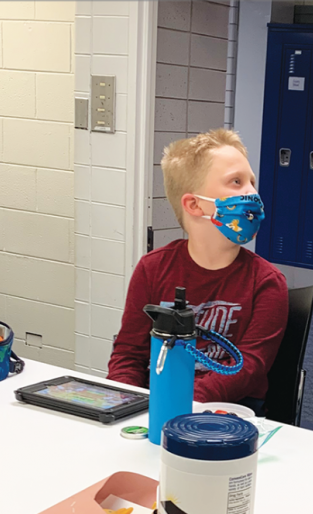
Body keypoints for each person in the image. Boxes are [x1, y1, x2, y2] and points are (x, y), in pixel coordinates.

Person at [107, 129, 288, 416]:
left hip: (229, 411)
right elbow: (129, 355)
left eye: (252, 182)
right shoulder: (152, 269)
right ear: (194, 204)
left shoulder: (266, 282)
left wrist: (180, 400)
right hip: (158, 403)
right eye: (237, 182)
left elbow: (249, 367)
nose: (252, 193)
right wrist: (123, 403)